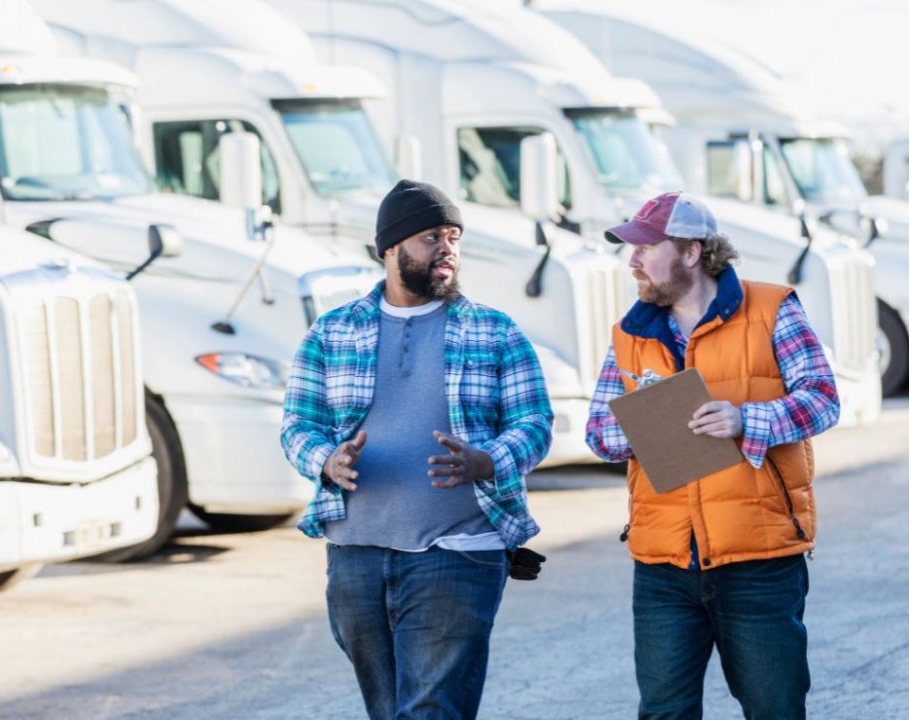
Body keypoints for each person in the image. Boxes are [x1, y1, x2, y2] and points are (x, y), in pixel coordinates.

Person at [281, 179, 553, 720]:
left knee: (429, 710)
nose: (447, 248)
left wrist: (487, 460)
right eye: (432, 237)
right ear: (391, 248)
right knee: (388, 710)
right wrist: (326, 461)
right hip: (355, 555)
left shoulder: (494, 331)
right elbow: (297, 425)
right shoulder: (331, 333)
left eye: (453, 237)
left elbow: (534, 422)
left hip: (457, 552)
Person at [585, 191, 840, 719]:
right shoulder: (629, 333)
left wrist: (748, 419)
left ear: (691, 251)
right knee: (664, 713)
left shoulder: (772, 308)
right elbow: (598, 434)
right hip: (663, 564)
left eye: (645, 247)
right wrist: (640, 426)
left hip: (759, 559)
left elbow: (822, 399)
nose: (631, 261)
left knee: (775, 709)